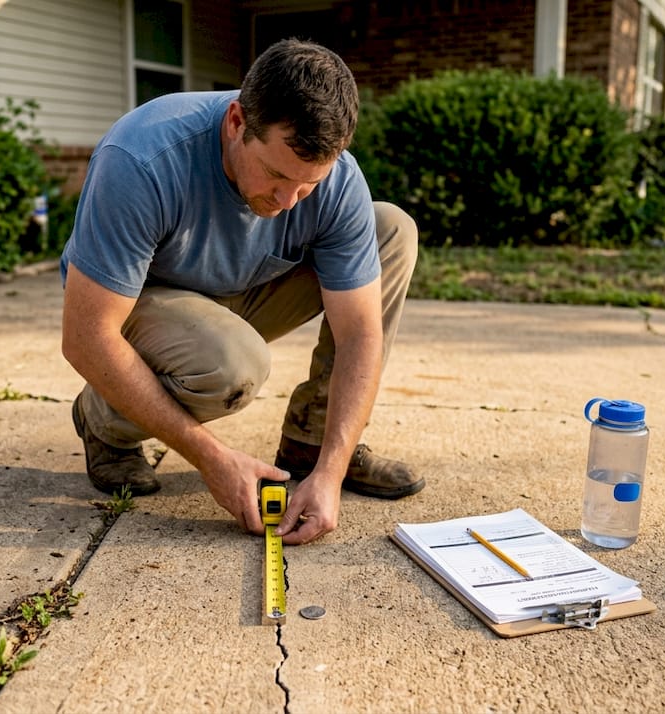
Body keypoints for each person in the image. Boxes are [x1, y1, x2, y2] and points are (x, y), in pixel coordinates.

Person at [59, 38, 423, 546]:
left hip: (242, 287)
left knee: (391, 228)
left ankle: (309, 443)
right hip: (147, 298)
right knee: (232, 366)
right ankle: (104, 424)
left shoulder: (337, 181)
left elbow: (360, 335)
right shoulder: (141, 159)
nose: (287, 201)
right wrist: (212, 459)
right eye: (275, 175)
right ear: (236, 122)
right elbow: (84, 336)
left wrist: (330, 471)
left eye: (307, 185)